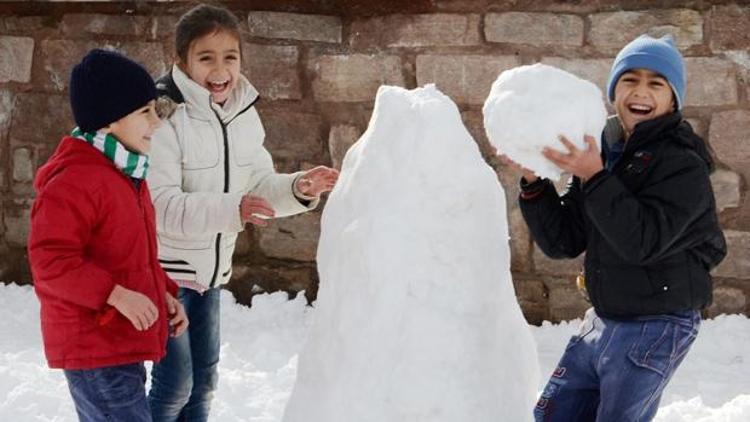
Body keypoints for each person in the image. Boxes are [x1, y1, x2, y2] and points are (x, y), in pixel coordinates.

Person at [510, 35, 727, 421]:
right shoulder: (606, 152)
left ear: (673, 98)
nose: (640, 91)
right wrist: (534, 182)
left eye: (656, 83)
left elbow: (642, 241)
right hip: (603, 317)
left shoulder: (683, 164)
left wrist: (594, 176)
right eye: (630, 79)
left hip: (656, 324)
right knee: (552, 416)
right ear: (614, 90)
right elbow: (565, 240)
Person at [146, 4, 339, 420]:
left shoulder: (243, 115)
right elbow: (158, 207)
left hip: (210, 275)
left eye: (229, 57)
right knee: (174, 385)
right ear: (181, 61)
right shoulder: (164, 117)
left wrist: (297, 187)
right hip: (166, 274)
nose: (220, 70)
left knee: (203, 386)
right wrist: (233, 208)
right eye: (206, 58)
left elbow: (257, 187)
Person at [27, 49, 188, 422]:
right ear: (108, 121)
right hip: (95, 346)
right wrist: (114, 295)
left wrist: (161, 291)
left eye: (155, 109)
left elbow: (131, 255)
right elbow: (51, 262)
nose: (157, 123)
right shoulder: (75, 180)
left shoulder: (124, 173)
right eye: (144, 112)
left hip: (119, 341)